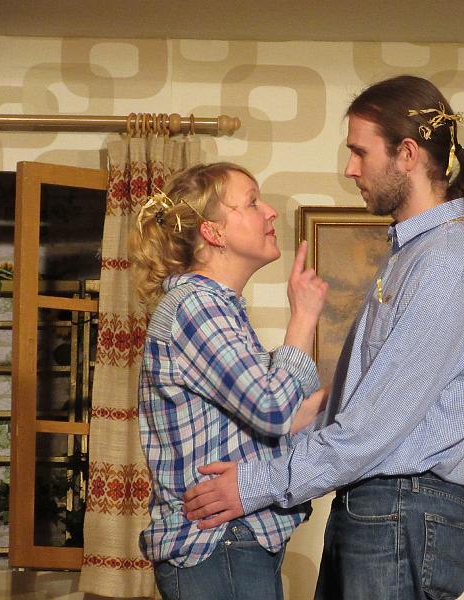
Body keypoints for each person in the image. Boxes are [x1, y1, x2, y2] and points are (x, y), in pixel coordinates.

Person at [183, 76, 464, 600]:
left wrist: (255, 484)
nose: (350, 169)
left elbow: (371, 428)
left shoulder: (447, 261)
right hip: (384, 509)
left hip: (400, 512)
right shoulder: (416, 256)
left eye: (360, 152)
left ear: (407, 154)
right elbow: (357, 411)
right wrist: (256, 467)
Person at [130, 162, 329, 600]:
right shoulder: (196, 307)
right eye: (253, 202)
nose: (270, 212)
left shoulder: (220, 310)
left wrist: (350, 388)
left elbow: (280, 421)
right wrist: (304, 316)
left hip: (233, 544)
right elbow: (273, 410)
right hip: (218, 544)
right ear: (213, 232)